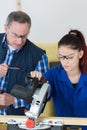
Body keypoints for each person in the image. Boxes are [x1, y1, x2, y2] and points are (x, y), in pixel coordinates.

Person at [30, 29, 87, 130]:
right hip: (62, 127)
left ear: (80, 54)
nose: (65, 62)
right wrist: (36, 82)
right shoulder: (53, 75)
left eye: (69, 57)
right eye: (61, 57)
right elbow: (39, 95)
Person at [0, 11, 49, 115]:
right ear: (5, 28)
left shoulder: (38, 56)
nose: (19, 41)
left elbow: (44, 96)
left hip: (17, 121)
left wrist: (14, 100)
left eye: (23, 36)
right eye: (15, 35)